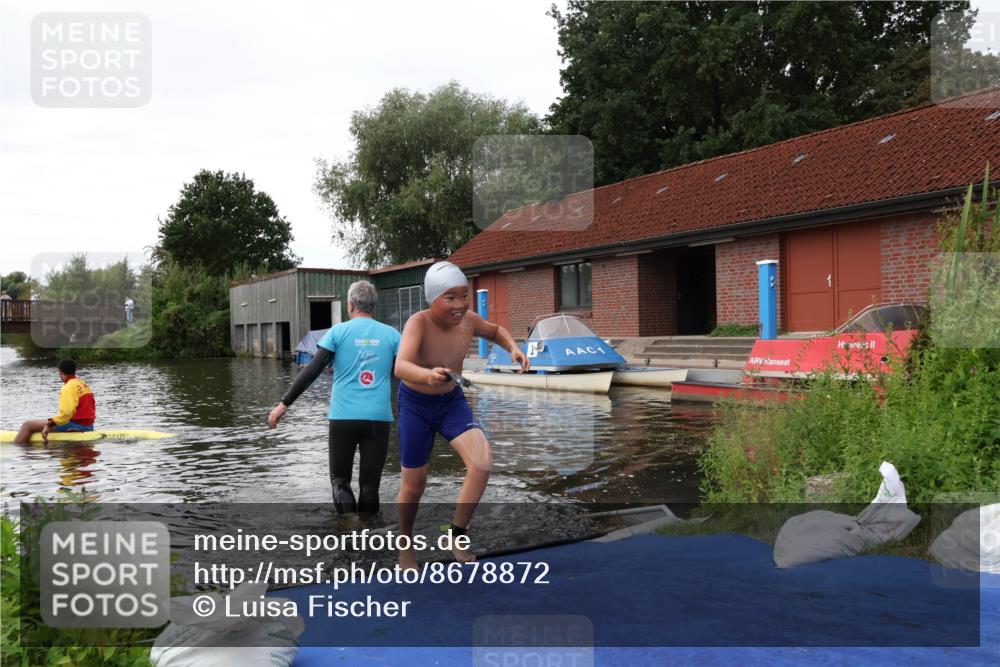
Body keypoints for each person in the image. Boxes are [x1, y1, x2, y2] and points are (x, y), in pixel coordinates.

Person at [393, 261, 529, 569]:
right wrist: (427, 376)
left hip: (451, 402)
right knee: (414, 484)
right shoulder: (419, 322)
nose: (459, 305)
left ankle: (457, 532)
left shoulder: (468, 320)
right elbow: (400, 366)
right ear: (432, 299)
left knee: (482, 462)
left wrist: (514, 348)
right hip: (416, 404)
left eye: (463, 296)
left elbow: (495, 331)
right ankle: (405, 544)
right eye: (450, 298)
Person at [268, 281, 400, 514]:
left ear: (350, 305)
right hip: (378, 419)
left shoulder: (338, 332)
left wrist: (284, 404)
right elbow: (403, 374)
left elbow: (311, 371)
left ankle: (349, 528)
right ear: (373, 306)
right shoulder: (391, 335)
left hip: (343, 418)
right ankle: (370, 537)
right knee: (370, 485)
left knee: (340, 480)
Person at [14, 359, 96, 444]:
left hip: (75, 426)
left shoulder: (68, 387)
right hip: (89, 426)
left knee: (27, 425)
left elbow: (66, 413)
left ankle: (17, 451)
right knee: (48, 420)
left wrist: (49, 424)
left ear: (60, 372)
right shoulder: (83, 384)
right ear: (74, 370)